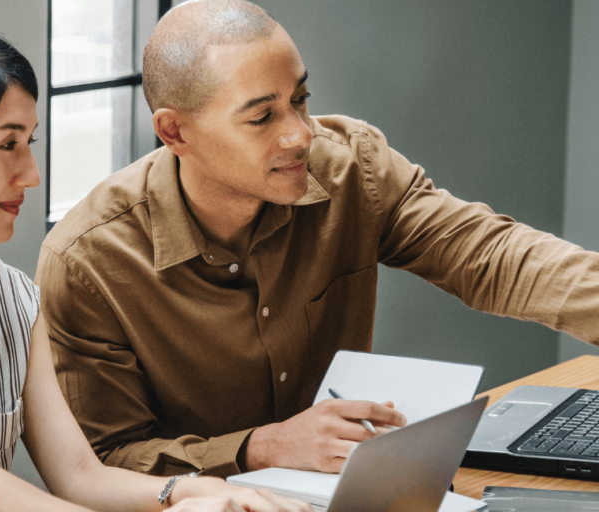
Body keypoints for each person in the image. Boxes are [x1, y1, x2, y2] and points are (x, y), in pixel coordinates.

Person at [35, 0, 599, 479]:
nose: (299, 134)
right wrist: (261, 448)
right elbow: (102, 463)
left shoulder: (351, 167)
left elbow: (492, 256)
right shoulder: (88, 261)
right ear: (175, 130)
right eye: (261, 118)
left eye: (299, 99)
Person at [0, 17, 312, 512]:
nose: (33, 174)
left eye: (31, 143)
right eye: (8, 144)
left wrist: (187, 490)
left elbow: (78, 476)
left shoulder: (11, 298)